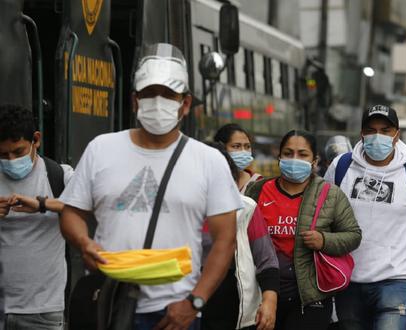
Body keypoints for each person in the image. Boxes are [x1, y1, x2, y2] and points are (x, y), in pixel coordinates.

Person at [58, 43, 243, 330]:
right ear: (134, 101)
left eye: (168, 94)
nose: (158, 102)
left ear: (184, 103)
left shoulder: (209, 161)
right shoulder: (101, 149)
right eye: (149, 94)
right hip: (108, 303)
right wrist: (84, 243)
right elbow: (71, 213)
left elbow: (225, 240)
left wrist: (194, 303)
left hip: (173, 312)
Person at [324, 105, 406, 330]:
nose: (377, 136)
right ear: (361, 133)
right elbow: (322, 217)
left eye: (385, 130)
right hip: (347, 281)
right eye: (371, 130)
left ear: (396, 134)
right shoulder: (341, 166)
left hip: (396, 281)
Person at [245, 130, 362, 330]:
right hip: (261, 294)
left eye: (302, 154)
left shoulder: (330, 194)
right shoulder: (257, 190)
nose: (294, 159)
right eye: (288, 153)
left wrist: (324, 240)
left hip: (309, 298)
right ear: (279, 156)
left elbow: (353, 236)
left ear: (314, 161)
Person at [0, 104, 74, 330]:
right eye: (3, 155)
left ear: (36, 140)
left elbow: (92, 205)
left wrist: (43, 204)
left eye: (19, 152)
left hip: (43, 313)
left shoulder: (59, 176)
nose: (11, 160)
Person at [201, 142, 279, 330]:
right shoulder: (180, 210)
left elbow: (266, 260)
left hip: (232, 304)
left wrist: (269, 301)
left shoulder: (245, 208)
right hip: (186, 301)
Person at [214, 124, 262, 194]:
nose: (243, 151)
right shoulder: (211, 179)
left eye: (247, 146)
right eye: (236, 146)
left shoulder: (258, 183)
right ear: (221, 148)